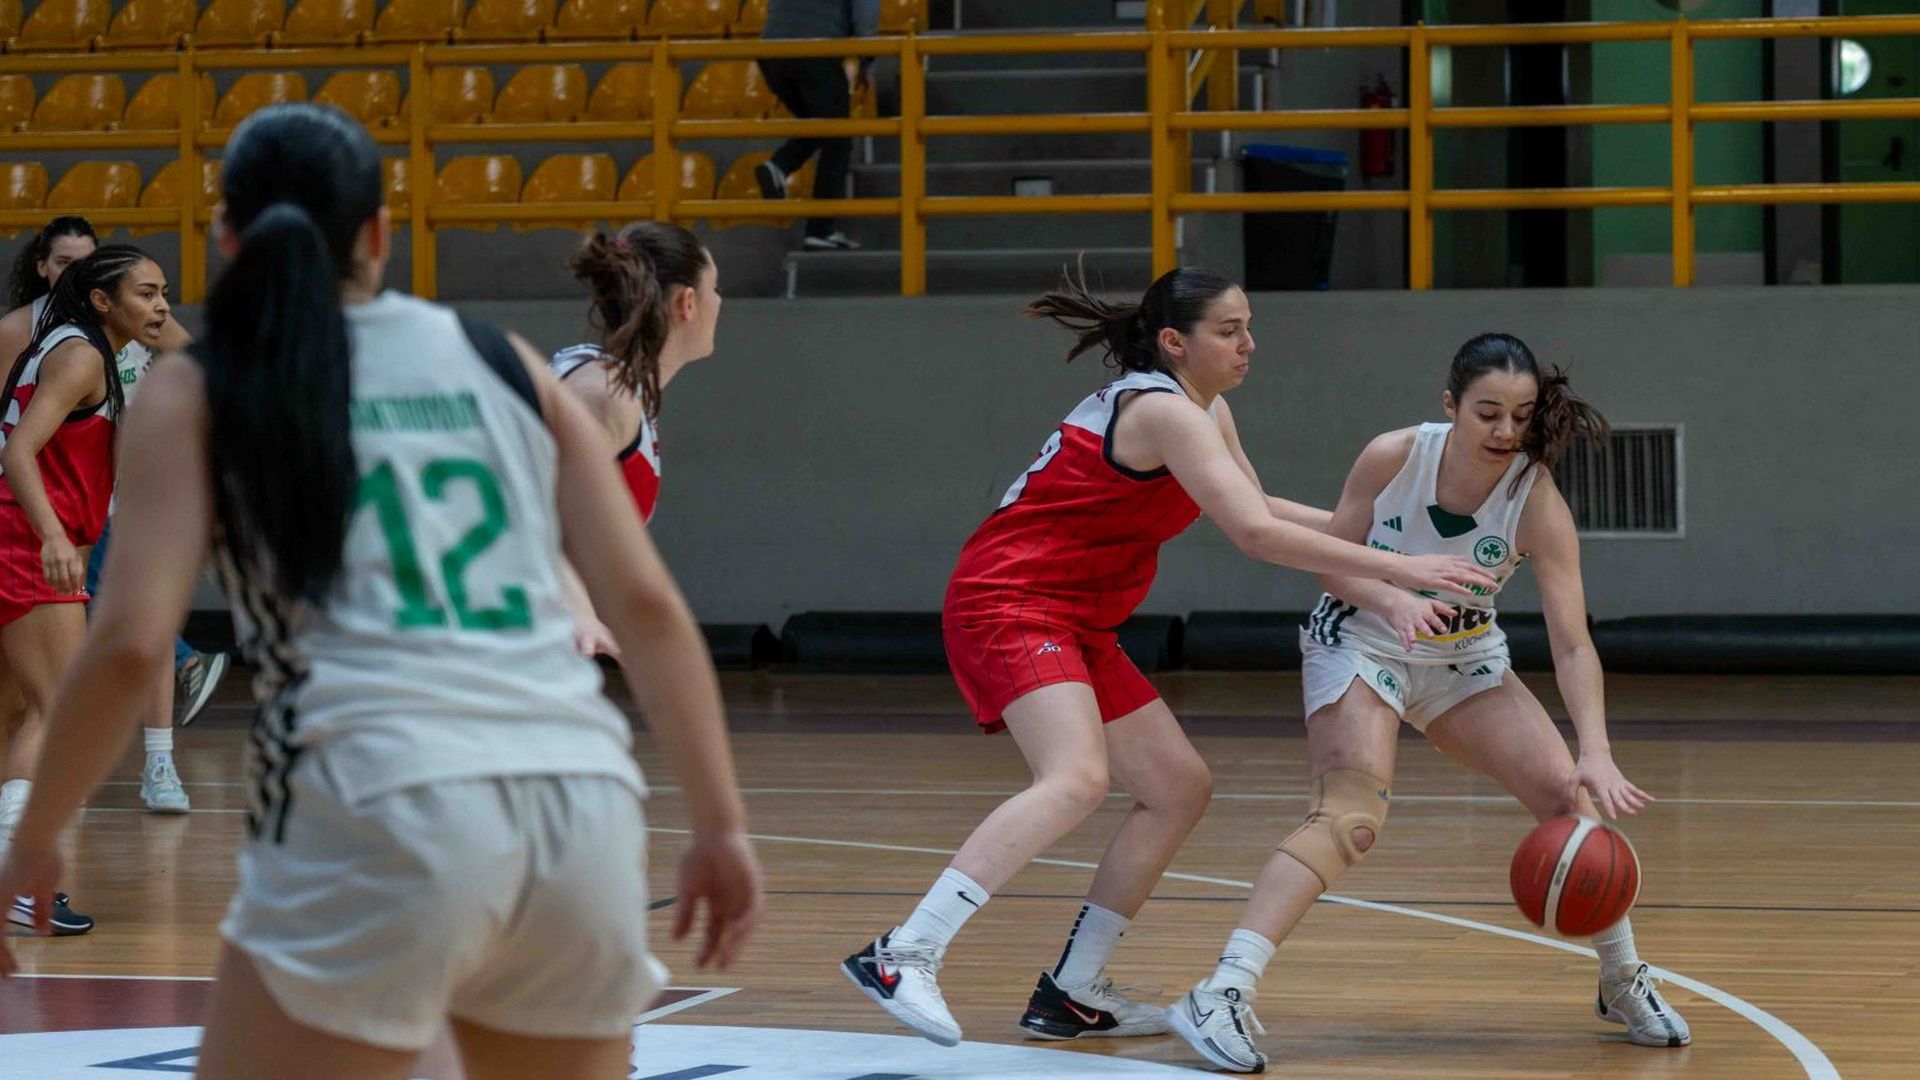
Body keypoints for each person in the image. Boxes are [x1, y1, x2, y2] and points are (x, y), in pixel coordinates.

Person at [0, 104, 763, 1080]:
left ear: (227, 237)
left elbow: (131, 647)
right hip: (576, 801)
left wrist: (36, 836)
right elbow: (651, 611)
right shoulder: (500, 359)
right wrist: (720, 823)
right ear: (382, 232)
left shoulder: (202, 386)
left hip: (371, 800)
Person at [839, 267, 1496, 1047]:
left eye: (1249, 327)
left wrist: (1391, 537)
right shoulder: (1162, 411)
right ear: (1176, 341)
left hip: (1077, 619)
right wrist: (1402, 566)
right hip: (1011, 601)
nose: (1249, 344)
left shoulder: (1205, 410)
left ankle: (1073, 990)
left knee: (1178, 787)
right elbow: (1255, 535)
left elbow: (1257, 505)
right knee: (1075, 779)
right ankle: (903, 952)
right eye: (1230, 330)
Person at [1166, 333, 1690, 1072]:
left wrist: (1596, 752)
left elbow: (1573, 645)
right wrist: (1393, 598)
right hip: (1361, 640)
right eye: (1488, 413)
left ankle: (1621, 978)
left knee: (1573, 802)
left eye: (1520, 416)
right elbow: (1331, 565)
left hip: (1462, 659)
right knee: (1349, 819)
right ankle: (1222, 990)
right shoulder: (1393, 456)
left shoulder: (1535, 498)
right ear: (1450, 405)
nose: (1505, 431)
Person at [0, 243, 175, 935]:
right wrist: (51, 536)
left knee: (16, 712)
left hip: (17, 537)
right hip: (23, 541)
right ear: (103, 301)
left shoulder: (73, 346)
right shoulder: (80, 356)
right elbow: (18, 450)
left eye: (164, 292)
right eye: (146, 294)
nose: (161, 306)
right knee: (59, 712)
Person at [549, 223, 721, 658]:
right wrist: (580, 613)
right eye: (715, 289)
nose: (720, 302)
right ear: (687, 304)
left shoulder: (621, 390)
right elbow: (531, 511)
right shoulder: (604, 395)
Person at [754, 0, 876, 251]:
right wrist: (867, 60)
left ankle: (779, 165)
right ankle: (821, 229)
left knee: (817, 125)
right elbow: (866, 12)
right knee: (837, 139)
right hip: (815, 51)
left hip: (771, 54)